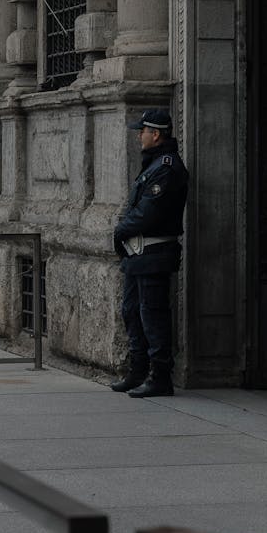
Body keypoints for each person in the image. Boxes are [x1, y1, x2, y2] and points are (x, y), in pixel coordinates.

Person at [111, 109, 188, 398]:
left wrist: (120, 231)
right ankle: (138, 370)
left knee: (152, 314)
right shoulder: (153, 164)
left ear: (155, 134)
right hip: (138, 254)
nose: (139, 137)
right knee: (131, 311)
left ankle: (160, 377)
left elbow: (148, 214)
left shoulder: (166, 167)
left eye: (141, 131)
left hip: (154, 252)